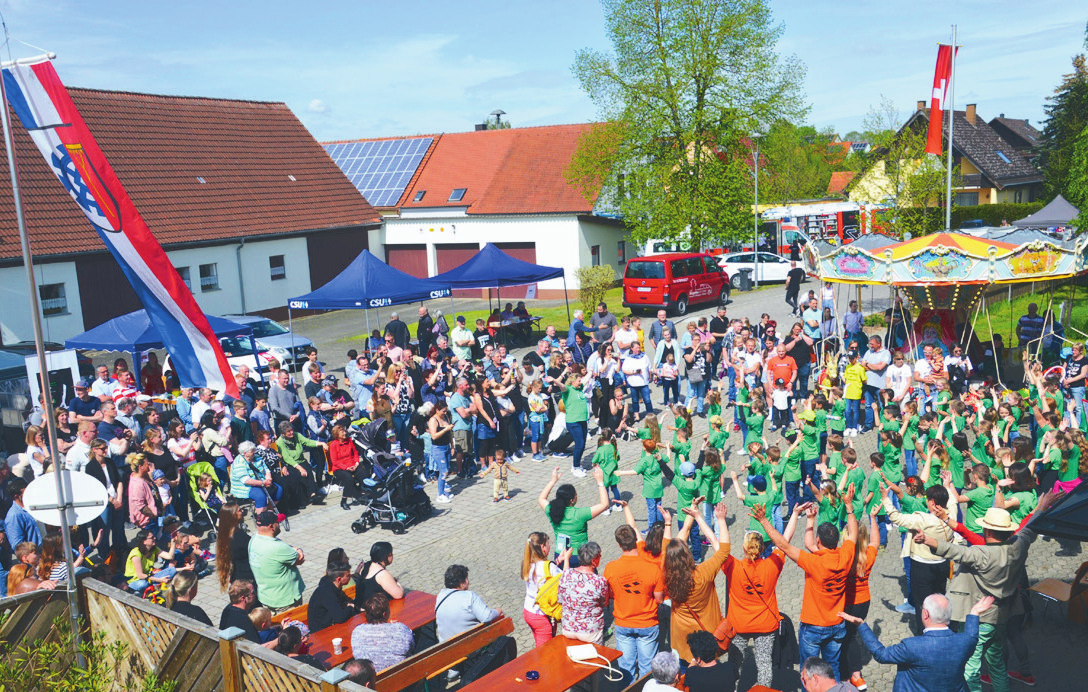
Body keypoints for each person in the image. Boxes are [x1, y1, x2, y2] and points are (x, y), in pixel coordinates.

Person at [920, 505, 1042, 692]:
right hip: (1001, 618)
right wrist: (1042, 505)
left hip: (977, 620)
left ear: (986, 530)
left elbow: (956, 551)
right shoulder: (1018, 546)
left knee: (970, 667)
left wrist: (929, 540)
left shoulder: (981, 553)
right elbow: (1029, 530)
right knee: (997, 664)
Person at [757, 486, 858, 679]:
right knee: (833, 668)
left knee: (808, 672)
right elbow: (852, 534)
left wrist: (763, 521)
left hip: (813, 626)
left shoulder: (813, 562)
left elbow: (783, 545)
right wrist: (849, 506)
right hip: (837, 624)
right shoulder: (845, 555)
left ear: (818, 541)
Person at [841, 594, 993, 692]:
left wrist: (861, 625)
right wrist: (974, 613)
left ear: (925, 614)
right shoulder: (964, 642)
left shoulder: (912, 646)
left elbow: (881, 655)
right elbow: (973, 635)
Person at [662, 502, 731, 662]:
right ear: (687, 554)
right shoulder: (703, 573)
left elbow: (670, 544)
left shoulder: (665, 574)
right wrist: (719, 520)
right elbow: (724, 551)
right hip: (706, 635)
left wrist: (670, 523)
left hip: (681, 638)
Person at [601, 522, 665, 682]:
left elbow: (608, 596)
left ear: (618, 544)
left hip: (623, 623)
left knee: (625, 668)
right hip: (647, 623)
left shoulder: (610, 568)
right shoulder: (652, 569)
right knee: (647, 668)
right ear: (636, 539)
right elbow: (659, 599)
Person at [538, 466, 610, 564]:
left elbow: (541, 498)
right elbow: (604, 504)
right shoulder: (579, 514)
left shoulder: (551, 510)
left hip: (560, 554)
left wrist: (552, 481)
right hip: (579, 556)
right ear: (572, 500)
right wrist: (600, 481)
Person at [248, 509, 305, 611]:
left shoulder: (253, 540)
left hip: (266, 598)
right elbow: (300, 559)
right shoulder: (278, 547)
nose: (279, 524)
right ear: (271, 526)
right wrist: (298, 549)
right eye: (277, 522)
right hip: (286, 601)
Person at [521, 531, 569, 647]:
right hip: (542, 615)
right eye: (548, 544)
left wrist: (558, 560)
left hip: (528, 611)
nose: (549, 546)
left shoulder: (526, 564)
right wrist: (567, 559)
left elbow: (545, 576)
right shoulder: (548, 567)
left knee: (539, 642)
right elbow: (566, 580)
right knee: (545, 651)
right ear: (543, 547)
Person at [558, 541, 609, 643]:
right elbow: (605, 603)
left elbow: (560, 600)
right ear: (594, 560)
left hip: (568, 628)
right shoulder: (599, 581)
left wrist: (566, 559)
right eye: (599, 556)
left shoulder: (566, 574)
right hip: (590, 631)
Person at [350, 593, 414, 671]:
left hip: (371, 679)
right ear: (385, 614)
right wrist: (394, 627)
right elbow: (411, 647)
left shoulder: (357, 632)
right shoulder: (401, 629)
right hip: (401, 677)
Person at [308, 561, 358, 633]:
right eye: (348, 575)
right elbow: (340, 617)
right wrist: (350, 607)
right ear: (339, 579)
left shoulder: (332, 586)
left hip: (329, 626)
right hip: (321, 633)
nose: (350, 577)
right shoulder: (327, 593)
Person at [353, 541, 405, 607]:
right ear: (386, 556)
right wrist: (396, 582)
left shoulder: (365, 566)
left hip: (362, 605)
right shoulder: (381, 574)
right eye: (391, 554)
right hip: (375, 610)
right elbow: (399, 595)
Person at [219, 580, 265, 645]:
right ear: (243, 598)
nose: (256, 594)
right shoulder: (244, 620)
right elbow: (258, 647)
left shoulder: (227, 610)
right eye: (253, 592)